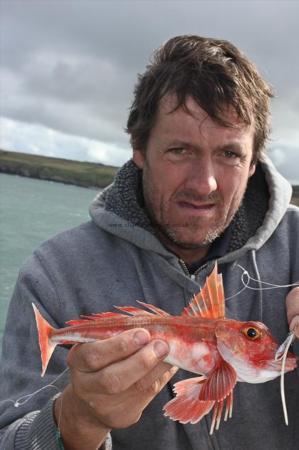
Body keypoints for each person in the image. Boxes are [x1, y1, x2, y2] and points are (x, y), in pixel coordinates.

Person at [0, 34, 299, 450]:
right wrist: (77, 422)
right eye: (180, 150)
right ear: (139, 149)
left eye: (230, 154)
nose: (205, 183)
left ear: (253, 163)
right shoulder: (54, 274)